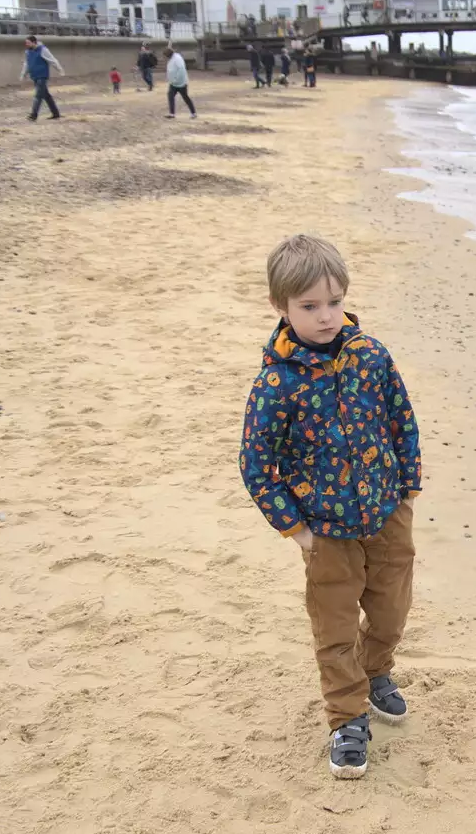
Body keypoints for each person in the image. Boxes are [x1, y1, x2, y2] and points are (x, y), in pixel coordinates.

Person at [239, 234, 422, 779]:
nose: (326, 317)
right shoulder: (277, 382)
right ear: (282, 307)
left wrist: (408, 488)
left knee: (391, 609)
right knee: (335, 627)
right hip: (326, 531)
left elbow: (401, 419)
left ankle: (377, 670)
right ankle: (346, 716)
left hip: (387, 514)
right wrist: (295, 529)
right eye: (310, 307)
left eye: (335, 303)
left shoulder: (371, 355)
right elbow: (255, 463)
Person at [19, 34, 64, 121]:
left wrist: (60, 69)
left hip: (42, 76)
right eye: (26, 43)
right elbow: (27, 64)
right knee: (46, 96)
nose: (26, 45)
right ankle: (56, 113)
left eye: (28, 43)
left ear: (34, 42)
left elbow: (52, 60)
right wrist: (23, 74)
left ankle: (33, 115)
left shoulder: (43, 50)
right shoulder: (28, 52)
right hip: (35, 76)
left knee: (38, 96)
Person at [164, 46, 195, 118]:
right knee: (170, 96)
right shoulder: (172, 59)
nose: (165, 58)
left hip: (181, 83)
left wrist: (176, 79)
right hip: (173, 83)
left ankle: (193, 113)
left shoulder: (177, 58)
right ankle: (172, 113)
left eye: (166, 56)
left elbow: (181, 70)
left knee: (185, 97)